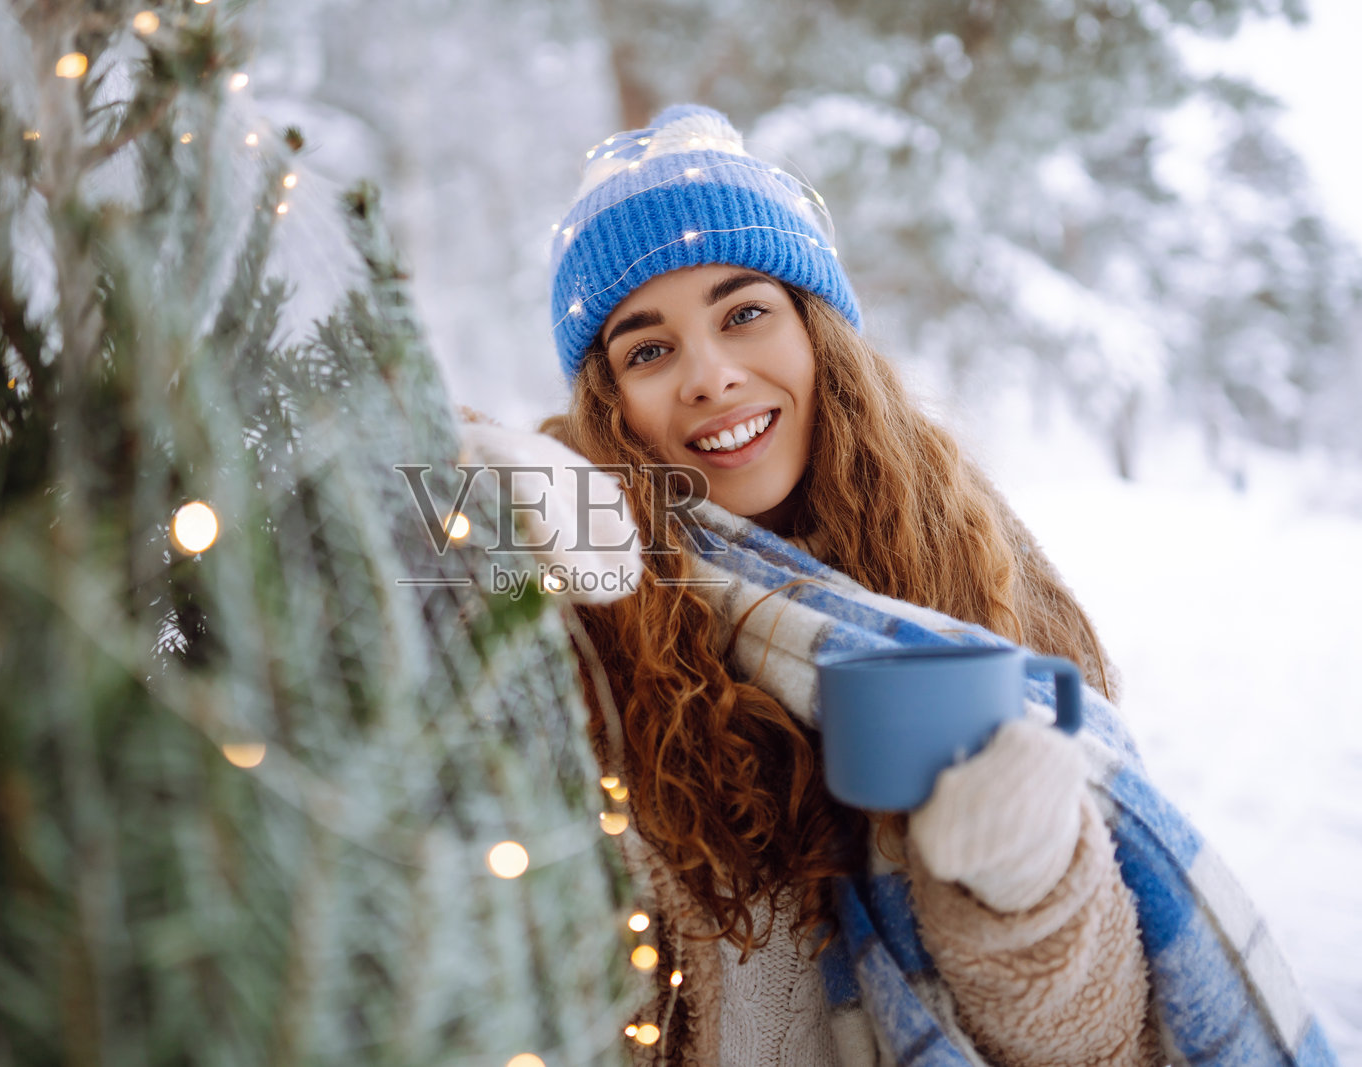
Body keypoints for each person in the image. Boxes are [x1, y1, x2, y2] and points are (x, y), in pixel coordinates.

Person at [507, 104, 1334, 1066]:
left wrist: (1024, 885)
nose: (711, 375)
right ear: (607, 402)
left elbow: (1095, 1049)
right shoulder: (582, 622)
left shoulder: (970, 567)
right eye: (647, 349)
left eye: (744, 314)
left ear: (820, 334)